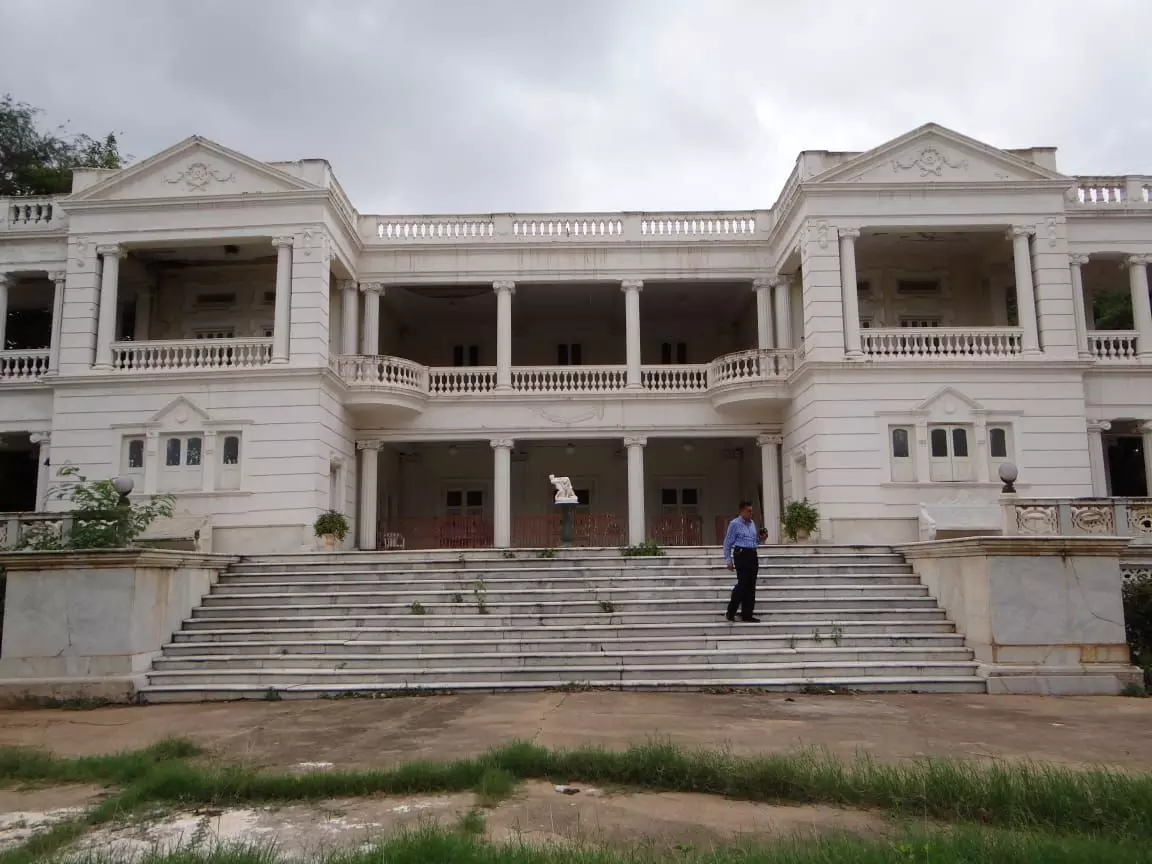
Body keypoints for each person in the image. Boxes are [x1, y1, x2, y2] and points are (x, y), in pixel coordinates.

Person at [722, 500, 769, 622]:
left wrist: (761, 539)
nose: (750, 513)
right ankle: (731, 611)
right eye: (748, 511)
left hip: (752, 555)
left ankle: (747, 614)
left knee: (751, 585)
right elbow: (727, 543)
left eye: (751, 511)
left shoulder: (752, 523)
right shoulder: (735, 524)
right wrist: (728, 560)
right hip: (741, 554)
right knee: (742, 584)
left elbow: (754, 542)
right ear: (741, 511)